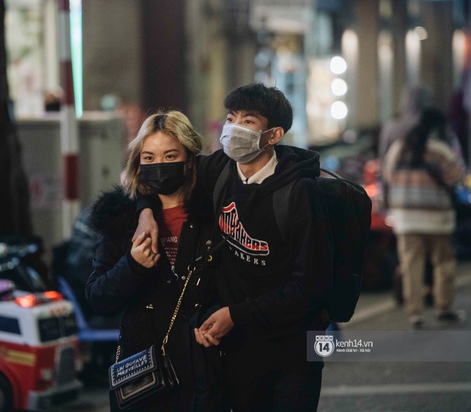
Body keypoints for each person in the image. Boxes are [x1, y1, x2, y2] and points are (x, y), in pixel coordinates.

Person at [136, 83, 333, 412]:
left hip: (293, 351)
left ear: (273, 135)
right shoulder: (219, 171)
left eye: (248, 121)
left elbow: (309, 286)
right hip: (238, 348)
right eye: (231, 118)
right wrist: (145, 214)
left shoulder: (299, 194)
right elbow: (159, 178)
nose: (234, 129)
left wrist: (236, 314)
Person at [84, 110, 225, 412]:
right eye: (148, 158)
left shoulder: (215, 216)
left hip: (203, 373)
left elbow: (231, 284)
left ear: (189, 159)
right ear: (138, 162)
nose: (159, 165)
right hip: (143, 380)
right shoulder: (121, 221)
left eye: (170, 155)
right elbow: (98, 299)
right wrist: (132, 266)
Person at [382, 108, 464, 329]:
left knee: (411, 265)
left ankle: (415, 314)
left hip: (406, 219)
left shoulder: (398, 149)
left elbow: (387, 177)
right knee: (443, 263)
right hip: (437, 217)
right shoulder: (440, 151)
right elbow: (455, 179)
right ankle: (443, 308)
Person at [378, 84, 434, 162]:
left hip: (398, 172)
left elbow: (384, 159)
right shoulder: (436, 127)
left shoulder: (391, 128)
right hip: (429, 172)